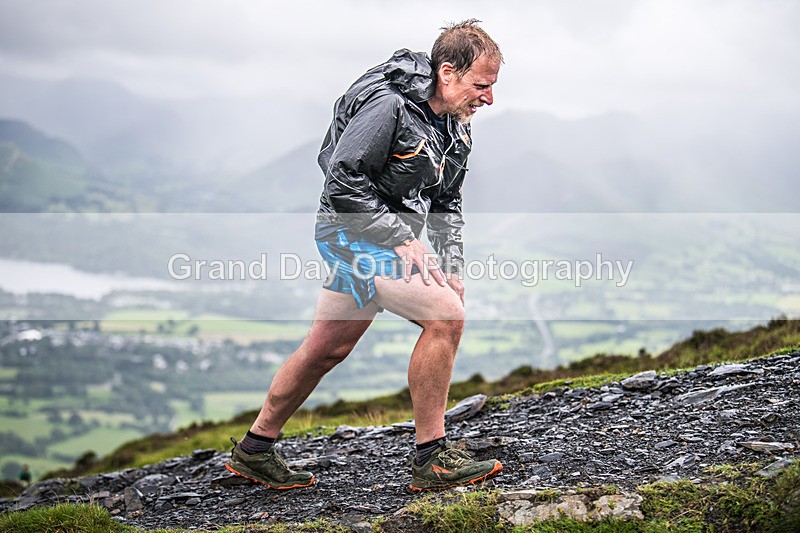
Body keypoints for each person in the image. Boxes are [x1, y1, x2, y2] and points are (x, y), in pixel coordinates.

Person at [226, 19, 503, 492]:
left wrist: (452, 263)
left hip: (378, 236)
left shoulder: (456, 126)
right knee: (446, 317)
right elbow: (342, 178)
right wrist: (397, 234)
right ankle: (432, 457)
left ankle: (253, 451)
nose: (489, 99)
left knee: (326, 348)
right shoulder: (389, 106)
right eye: (482, 85)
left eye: (493, 87)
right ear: (448, 72)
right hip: (349, 232)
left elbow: (446, 201)